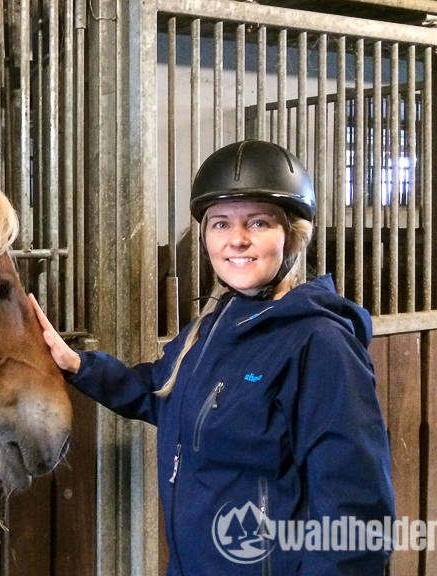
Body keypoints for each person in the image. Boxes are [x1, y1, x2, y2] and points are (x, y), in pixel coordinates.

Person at [31, 140, 395, 575]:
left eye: (258, 223)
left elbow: (356, 517)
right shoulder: (215, 324)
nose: (237, 240)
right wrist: (79, 365)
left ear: (293, 237)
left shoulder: (321, 345)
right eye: (220, 224)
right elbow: (160, 392)